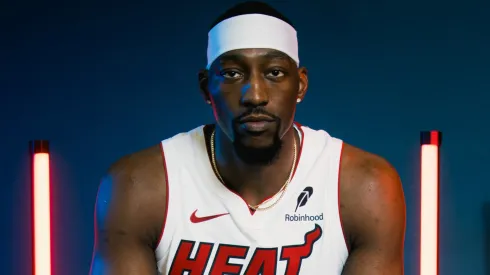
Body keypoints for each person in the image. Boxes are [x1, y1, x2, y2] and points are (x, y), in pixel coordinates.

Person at [89, 1, 406, 274]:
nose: (255, 95)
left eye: (275, 73)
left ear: (300, 85)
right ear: (205, 88)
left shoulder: (363, 188)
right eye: (232, 74)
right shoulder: (140, 186)